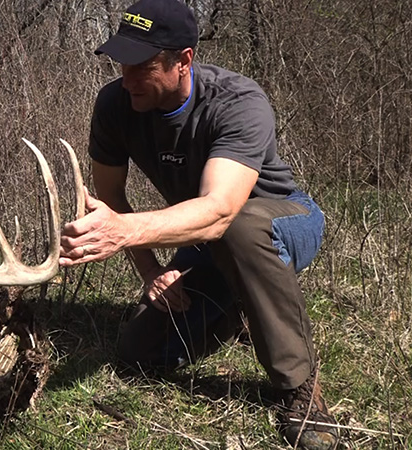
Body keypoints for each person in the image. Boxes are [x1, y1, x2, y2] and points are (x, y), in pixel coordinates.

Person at [58, 0, 339, 448]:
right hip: (212, 238)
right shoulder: (115, 104)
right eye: (120, 63)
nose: (126, 78)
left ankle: (301, 390)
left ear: (183, 60)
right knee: (138, 353)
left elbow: (220, 209)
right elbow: (110, 198)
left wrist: (123, 232)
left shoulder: (237, 101)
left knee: (241, 227)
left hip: (283, 220)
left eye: (141, 65)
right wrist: (151, 272)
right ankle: (238, 311)